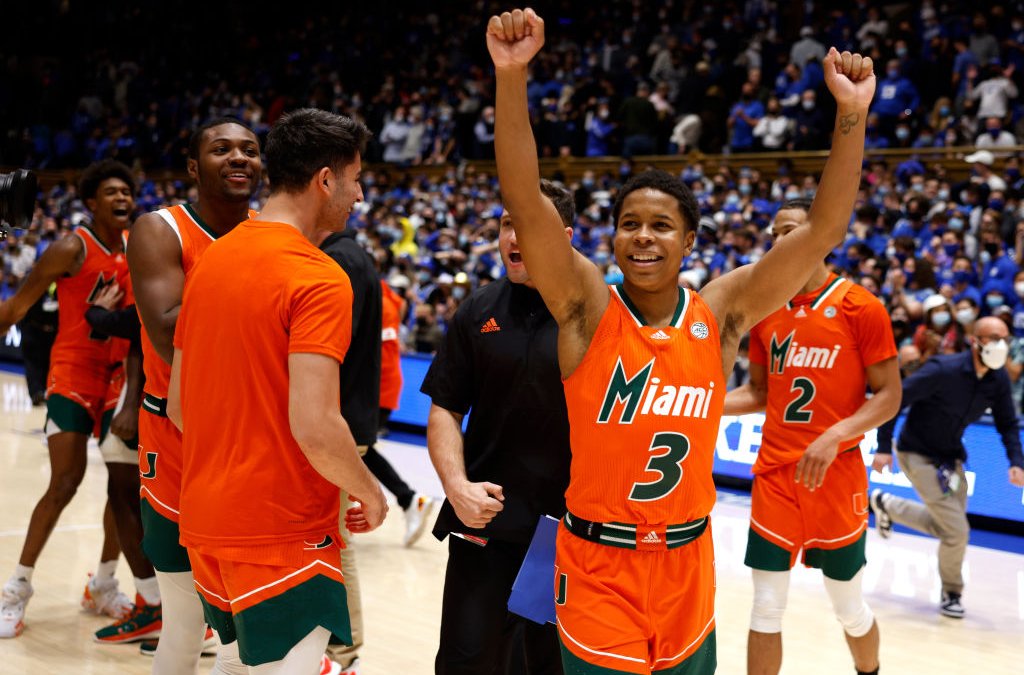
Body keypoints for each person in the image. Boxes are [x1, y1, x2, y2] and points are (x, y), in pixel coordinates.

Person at [486, 9, 874, 673]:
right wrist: (513, 76)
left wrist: (851, 115)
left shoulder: (721, 311)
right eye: (629, 223)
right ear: (611, 239)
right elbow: (526, 201)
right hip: (599, 561)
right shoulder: (585, 305)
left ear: (688, 240)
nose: (643, 235)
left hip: (688, 566)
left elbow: (823, 230)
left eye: (661, 225)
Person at [167, 108, 388, 674]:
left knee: (237, 665)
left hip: (206, 519)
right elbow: (315, 425)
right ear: (325, 179)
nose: (359, 195)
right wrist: (371, 491)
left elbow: (180, 406)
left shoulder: (212, 258)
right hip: (280, 530)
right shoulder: (316, 275)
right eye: (356, 178)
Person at [723, 199, 901, 675]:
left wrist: (837, 435)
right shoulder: (764, 310)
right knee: (765, 604)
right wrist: (702, 403)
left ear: (821, 237)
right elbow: (759, 391)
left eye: (795, 230)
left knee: (848, 605)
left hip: (836, 476)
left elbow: (888, 396)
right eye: (777, 232)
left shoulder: (860, 306)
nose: (784, 241)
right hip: (776, 475)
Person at [0, 159, 160, 642]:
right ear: (91, 202)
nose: (121, 198)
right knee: (65, 481)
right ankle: (16, 588)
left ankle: (105, 582)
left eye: (127, 192)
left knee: (122, 485)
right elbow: (17, 306)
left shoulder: (140, 248)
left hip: (118, 377)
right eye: (111, 192)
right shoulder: (71, 247)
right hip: (72, 372)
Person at [422, 179, 573, 675]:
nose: (514, 236)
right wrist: (456, 486)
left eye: (528, 224)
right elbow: (445, 406)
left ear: (565, 237)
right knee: (466, 663)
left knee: (545, 667)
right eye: (509, 224)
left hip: (566, 535)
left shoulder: (593, 316)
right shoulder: (477, 310)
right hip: (484, 522)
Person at [127, 117, 260, 672]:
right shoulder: (161, 230)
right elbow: (165, 333)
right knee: (186, 622)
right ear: (192, 166)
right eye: (221, 148)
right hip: (176, 434)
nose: (239, 157)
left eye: (250, 150)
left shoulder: (269, 234)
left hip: (249, 438)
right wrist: (258, 298)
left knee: (242, 624)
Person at [871, 316, 1024, 619]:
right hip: (915, 452)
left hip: (950, 458)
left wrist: (1016, 462)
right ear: (975, 341)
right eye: (993, 337)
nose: (1000, 344)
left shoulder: (998, 379)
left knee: (948, 527)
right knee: (957, 531)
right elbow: (894, 399)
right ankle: (952, 593)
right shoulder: (944, 370)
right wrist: (884, 447)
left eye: (1005, 338)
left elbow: (1007, 423)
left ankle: (886, 505)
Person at [366, 274, 435, 548]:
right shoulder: (386, 300)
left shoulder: (381, 303)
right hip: (380, 386)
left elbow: (381, 352)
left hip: (376, 388)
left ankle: (409, 498)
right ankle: (409, 499)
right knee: (359, 451)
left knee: (357, 449)